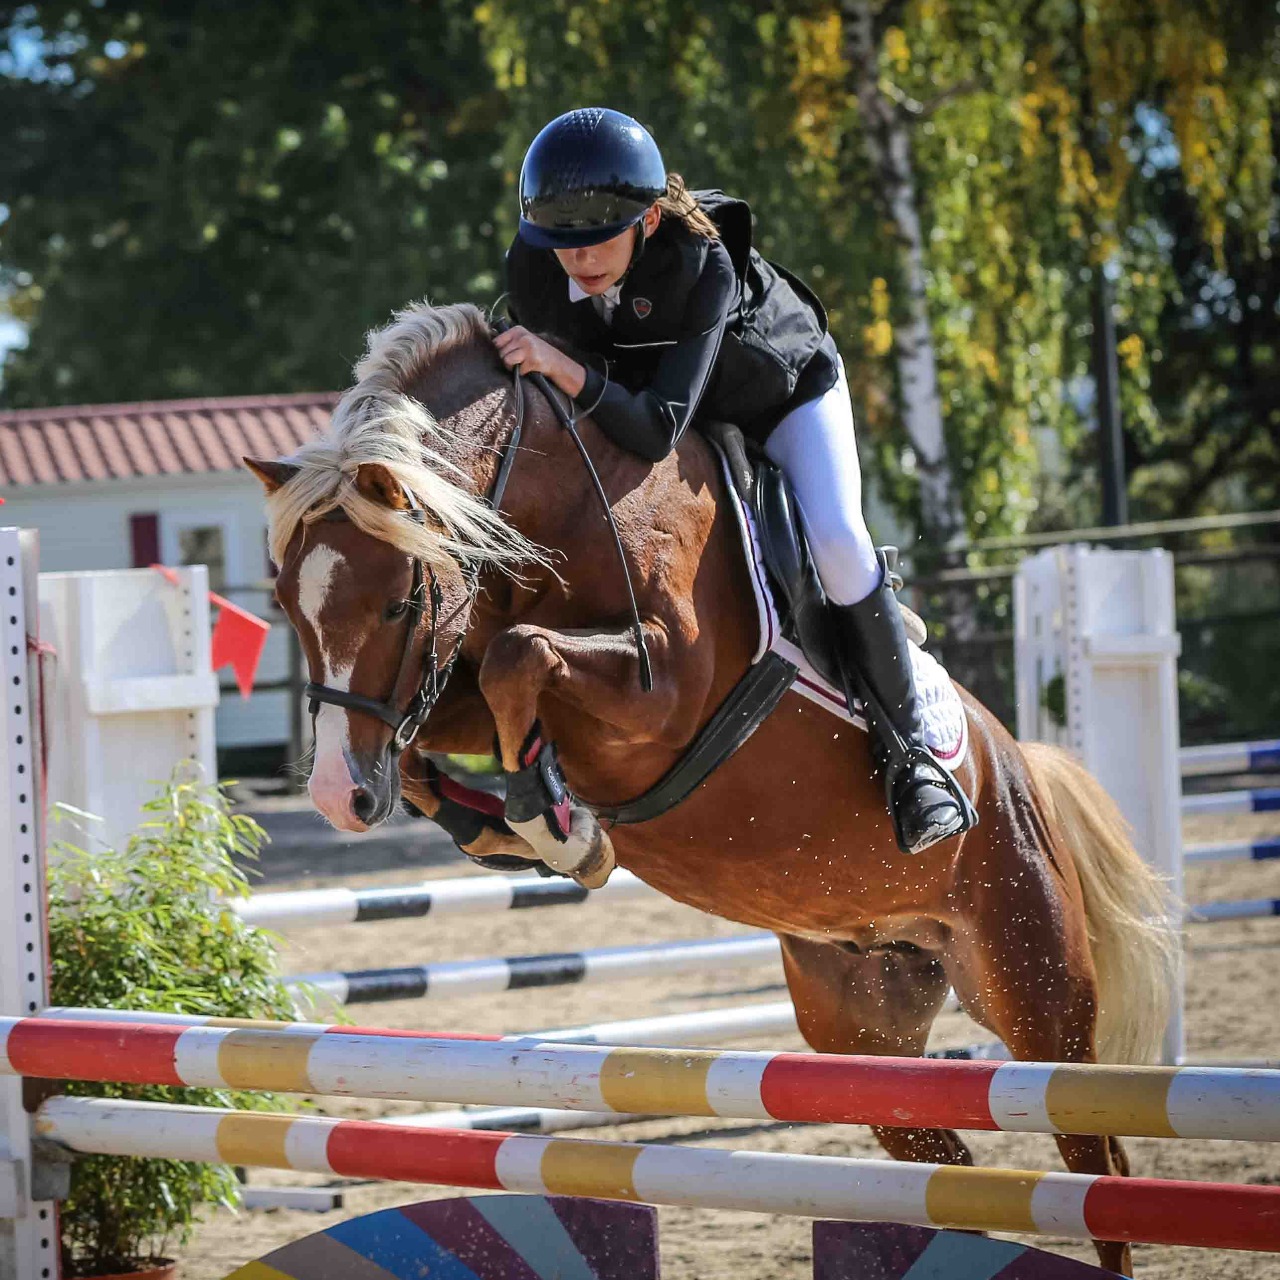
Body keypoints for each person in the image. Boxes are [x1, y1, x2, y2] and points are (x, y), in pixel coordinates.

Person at [495, 106, 975, 855]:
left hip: (781, 397)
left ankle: (912, 755)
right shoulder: (536, 268)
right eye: (562, 245)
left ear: (649, 220)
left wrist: (563, 366)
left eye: (596, 243)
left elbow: (656, 425)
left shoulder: (701, 261)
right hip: (665, 411)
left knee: (839, 539)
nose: (578, 263)